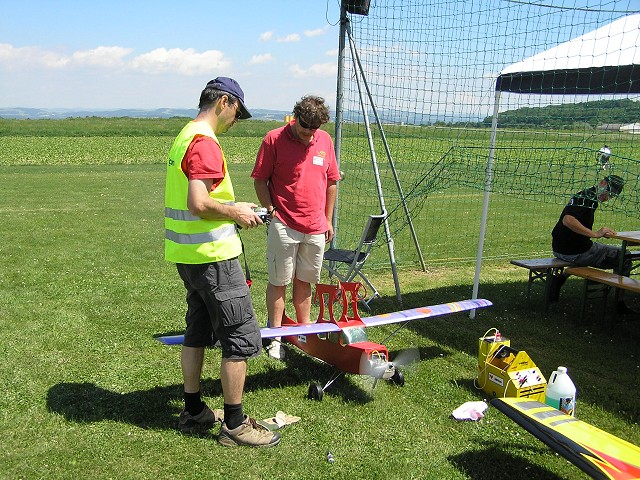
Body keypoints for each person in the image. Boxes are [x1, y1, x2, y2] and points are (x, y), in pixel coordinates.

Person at [164, 77, 280, 447]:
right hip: (214, 260)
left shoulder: (185, 134)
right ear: (224, 102)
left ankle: (194, 408)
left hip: (189, 258)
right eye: (237, 113)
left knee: (196, 333)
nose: (236, 121)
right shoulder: (206, 143)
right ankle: (234, 424)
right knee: (240, 337)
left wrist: (236, 211)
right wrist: (233, 211)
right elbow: (198, 203)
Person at [251, 95, 341, 360]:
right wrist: (272, 211)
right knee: (279, 282)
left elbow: (332, 182)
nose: (309, 135)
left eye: (314, 130)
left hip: (315, 227)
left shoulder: (324, 140)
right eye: (305, 128)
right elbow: (260, 180)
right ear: (295, 117)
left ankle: (304, 334)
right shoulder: (273, 139)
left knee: (305, 282)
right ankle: (274, 337)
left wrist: (327, 218)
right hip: (284, 223)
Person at [550, 174, 634, 314]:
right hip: (575, 252)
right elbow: (568, 220)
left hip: (559, 249)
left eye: (611, 196)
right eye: (609, 193)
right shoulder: (587, 198)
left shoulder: (585, 195)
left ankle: (560, 278)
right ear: (602, 183)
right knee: (625, 256)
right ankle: (619, 304)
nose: (607, 198)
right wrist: (595, 233)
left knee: (599, 250)